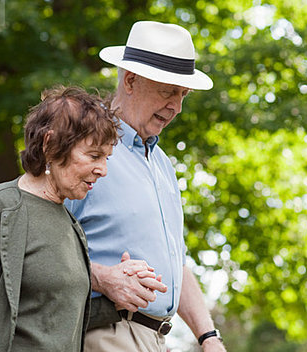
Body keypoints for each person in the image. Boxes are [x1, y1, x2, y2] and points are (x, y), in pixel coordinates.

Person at [65, 21, 226, 351]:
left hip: (156, 340)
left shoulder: (163, 166)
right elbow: (38, 246)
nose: (177, 107)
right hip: (103, 332)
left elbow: (176, 265)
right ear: (131, 81)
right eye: (168, 91)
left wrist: (208, 337)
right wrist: (102, 278)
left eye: (183, 95)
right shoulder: (84, 151)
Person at [0, 86, 119, 352]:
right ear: (50, 145)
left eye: (107, 158)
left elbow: (57, 318)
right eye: (94, 156)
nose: (103, 170)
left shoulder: (71, 223)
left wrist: (121, 300)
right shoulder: (0, 206)